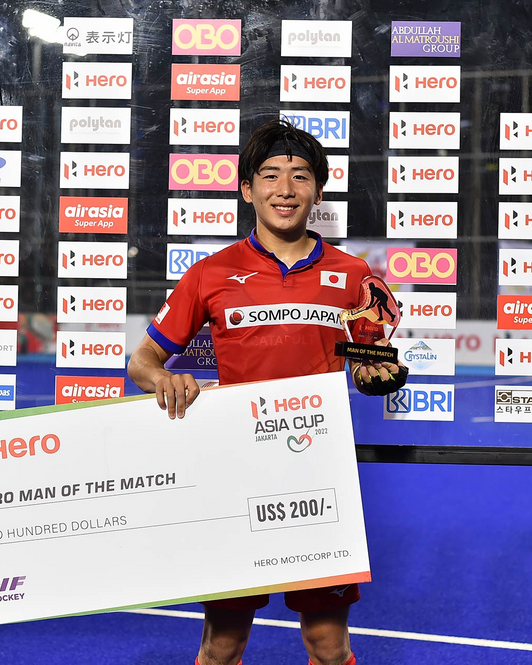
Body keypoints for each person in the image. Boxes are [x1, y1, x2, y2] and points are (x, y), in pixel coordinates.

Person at [127, 118, 406, 665]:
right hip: (234, 476)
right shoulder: (209, 274)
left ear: (318, 192)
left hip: (318, 477)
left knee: (328, 646)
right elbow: (143, 361)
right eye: (270, 175)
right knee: (223, 645)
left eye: (300, 176)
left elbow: (371, 361)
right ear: (246, 189)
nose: (285, 189)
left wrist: (379, 373)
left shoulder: (353, 274)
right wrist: (164, 379)